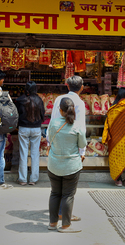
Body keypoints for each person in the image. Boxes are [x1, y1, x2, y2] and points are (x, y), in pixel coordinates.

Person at [49, 75, 85, 222]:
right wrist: (82, 152)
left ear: (67, 85)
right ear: (82, 88)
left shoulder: (59, 99)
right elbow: (81, 128)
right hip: (71, 146)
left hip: (57, 143)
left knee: (56, 190)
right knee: (68, 190)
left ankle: (58, 215)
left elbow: (52, 121)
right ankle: (65, 218)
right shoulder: (80, 104)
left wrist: (50, 143)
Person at [102, 88, 125, 188]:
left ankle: (119, 180)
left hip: (115, 140)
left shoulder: (113, 108)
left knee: (116, 159)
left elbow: (108, 124)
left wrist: (106, 137)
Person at [15, 81, 45, 186]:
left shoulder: (20, 100)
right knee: (35, 154)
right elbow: (42, 115)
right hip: (36, 128)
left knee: (23, 153)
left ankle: (22, 179)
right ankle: (33, 179)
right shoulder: (39, 100)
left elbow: (16, 114)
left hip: (23, 128)